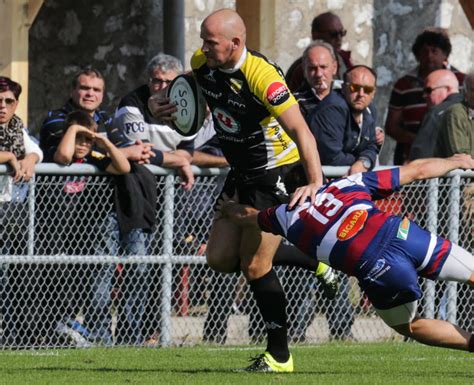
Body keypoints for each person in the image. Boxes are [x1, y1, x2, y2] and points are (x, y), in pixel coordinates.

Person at [149, 8, 328, 372]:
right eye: (202, 39)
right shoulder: (204, 61)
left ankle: (280, 356)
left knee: (256, 266)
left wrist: (315, 182)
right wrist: (164, 105)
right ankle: (312, 259)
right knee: (218, 259)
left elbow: (302, 132)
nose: (202, 47)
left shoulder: (263, 77)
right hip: (241, 172)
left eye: (210, 42)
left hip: (275, 172)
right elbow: (190, 93)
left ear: (235, 43)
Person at [218, 154, 474, 354]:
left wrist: (228, 208)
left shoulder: (287, 215)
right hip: (404, 235)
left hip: (377, 267)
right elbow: (417, 170)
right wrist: (454, 162)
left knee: (410, 326)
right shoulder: (347, 183)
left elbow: (247, 217)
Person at [112, 53, 195, 345]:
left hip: (170, 203)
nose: (160, 86)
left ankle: (151, 332)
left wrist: (177, 159)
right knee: (138, 266)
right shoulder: (132, 103)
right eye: (155, 80)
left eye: (167, 81)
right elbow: (139, 150)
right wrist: (175, 160)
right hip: (134, 198)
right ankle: (127, 335)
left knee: (163, 269)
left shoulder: (184, 109)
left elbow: (187, 152)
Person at [0, 77, 43, 347]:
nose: (2, 107)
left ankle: (13, 334)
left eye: (8, 101)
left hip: (9, 212)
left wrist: (28, 158)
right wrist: (8, 157)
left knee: (11, 277)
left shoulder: (17, 129)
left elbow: (35, 149)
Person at [385, 27, 465, 165]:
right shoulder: (404, 84)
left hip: (452, 154)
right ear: (417, 55)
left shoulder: (462, 81)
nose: (429, 56)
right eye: (424, 51)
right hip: (410, 154)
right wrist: (417, 139)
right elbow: (392, 126)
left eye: (434, 51)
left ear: (445, 54)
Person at [308, 65, 379, 173]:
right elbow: (331, 157)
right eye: (354, 88)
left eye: (367, 90)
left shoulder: (370, 109)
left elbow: (372, 146)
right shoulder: (333, 108)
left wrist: (363, 162)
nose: (361, 94)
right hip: (315, 178)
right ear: (344, 88)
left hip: (346, 177)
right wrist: (358, 161)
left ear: (373, 93)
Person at [286, 12, 353, 92]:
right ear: (316, 34)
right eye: (333, 34)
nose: (339, 38)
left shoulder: (343, 59)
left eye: (341, 33)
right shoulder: (301, 68)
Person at [409, 69, 462, 160]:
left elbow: (420, 155)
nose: (424, 95)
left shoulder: (437, 112)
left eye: (429, 90)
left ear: (448, 89)